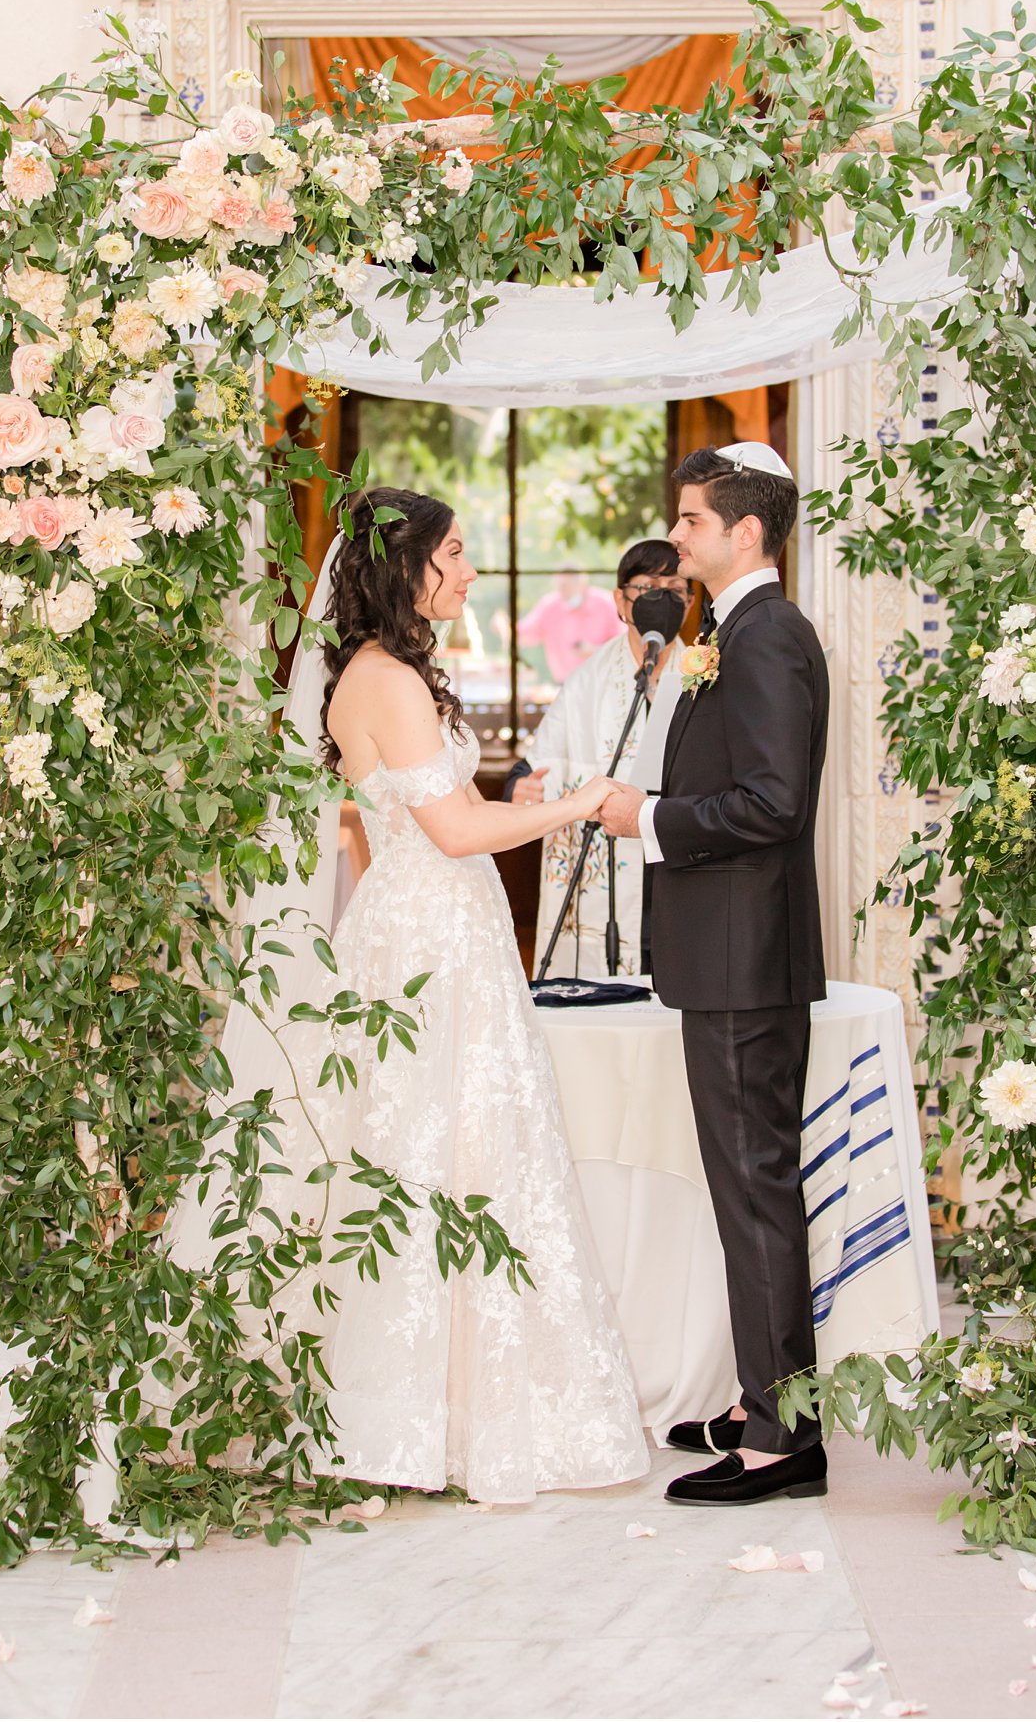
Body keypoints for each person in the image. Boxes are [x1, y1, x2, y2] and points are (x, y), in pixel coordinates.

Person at [210, 487, 649, 1505]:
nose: (467, 569)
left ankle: (443, 1413)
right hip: (426, 942)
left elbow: (415, 820)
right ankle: (396, 1418)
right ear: (406, 567)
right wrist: (581, 804)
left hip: (437, 929)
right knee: (419, 1156)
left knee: (460, 1153)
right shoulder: (382, 680)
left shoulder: (396, 675)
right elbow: (448, 835)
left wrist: (518, 803)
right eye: (454, 553)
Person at [598, 441, 832, 1507]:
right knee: (746, 1191)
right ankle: (761, 1398)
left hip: (745, 964)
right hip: (724, 960)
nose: (675, 541)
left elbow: (773, 804)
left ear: (742, 530)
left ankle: (784, 1437)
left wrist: (648, 821)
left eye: (689, 523)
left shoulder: (768, 635)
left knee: (756, 1195)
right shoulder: (725, 634)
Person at [505, 538, 689, 977]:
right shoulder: (586, 682)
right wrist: (521, 786)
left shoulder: (708, 671)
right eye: (646, 588)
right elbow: (532, 768)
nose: (661, 599)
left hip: (680, 871)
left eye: (676, 588)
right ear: (620, 602)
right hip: (610, 879)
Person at [515, 562, 622, 685]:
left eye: (565, 587)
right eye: (559, 587)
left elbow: (624, 647)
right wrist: (504, 627)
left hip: (603, 684)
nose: (562, 593)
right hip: (565, 685)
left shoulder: (606, 604)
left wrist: (595, 651)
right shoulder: (550, 606)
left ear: (581, 584)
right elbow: (523, 634)